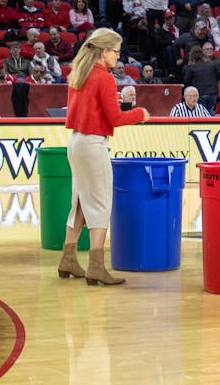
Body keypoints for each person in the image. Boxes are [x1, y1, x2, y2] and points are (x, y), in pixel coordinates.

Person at [61, 28, 150, 285]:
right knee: (100, 204)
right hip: (92, 143)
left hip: (76, 142)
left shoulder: (79, 72)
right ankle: (96, 266)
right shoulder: (104, 78)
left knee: (79, 202)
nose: (118, 57)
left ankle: (68, 258)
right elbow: (115, 118)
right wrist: (139, 114)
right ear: (103, 51)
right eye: (116, 51)